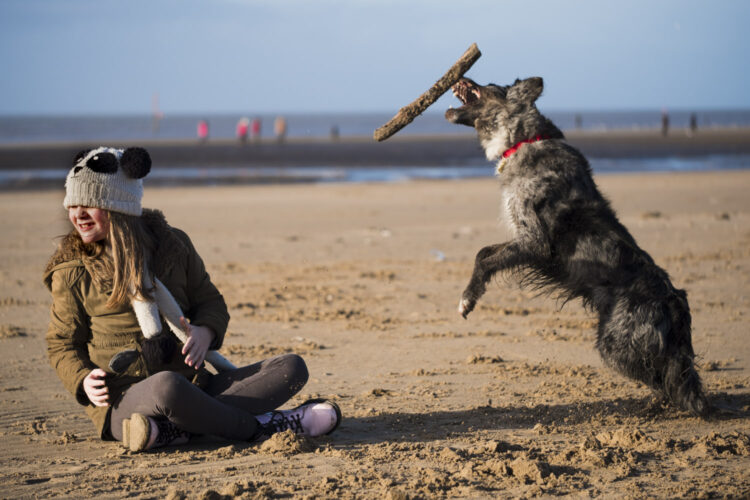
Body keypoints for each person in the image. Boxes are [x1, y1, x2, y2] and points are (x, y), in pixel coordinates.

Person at [44, 146, 341, 452]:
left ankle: (173, 430)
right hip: (124, 402)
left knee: (291, 367)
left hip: (196, 387)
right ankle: (266, 426)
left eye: (89, 204)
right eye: (72, 204)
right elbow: (61, 343)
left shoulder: (174, 246)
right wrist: (81, 379)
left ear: (119, 205)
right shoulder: (72, 271)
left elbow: (211, 302)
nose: (76, 214)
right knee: (167, 386)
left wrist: (205, 331)